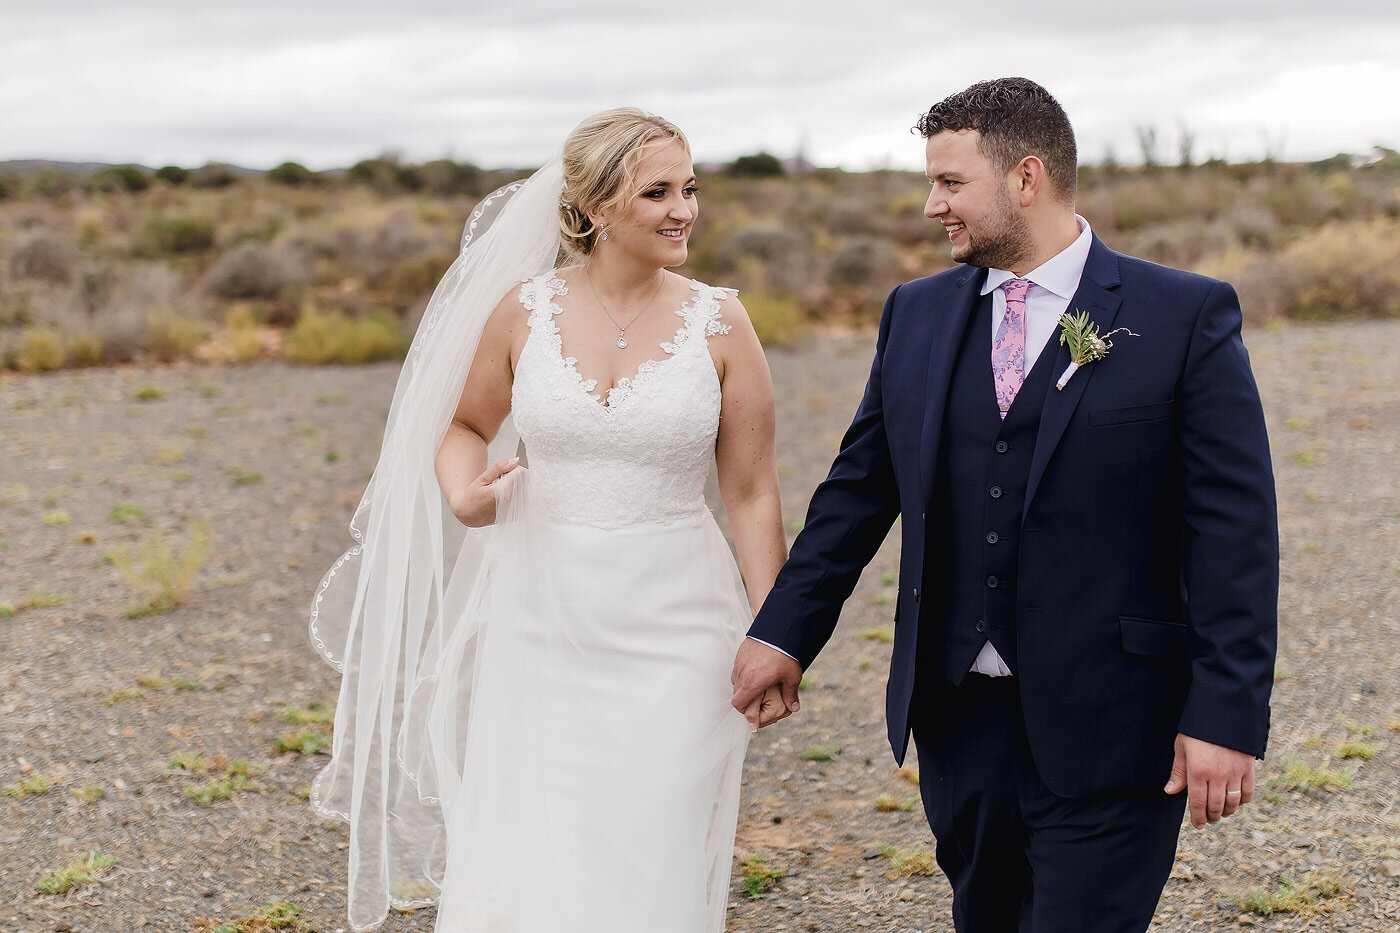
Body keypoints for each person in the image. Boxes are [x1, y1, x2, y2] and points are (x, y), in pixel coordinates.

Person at [731, 77, 1279, 933]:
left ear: (1026, 177)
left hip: (1116, 724)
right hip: (960, 723)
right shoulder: (914, 313)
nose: (929, 205)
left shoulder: (1182, 315)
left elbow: (1235, 533)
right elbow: (858, 491)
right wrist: (783, 630)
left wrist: (1228, 714)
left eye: (950, 183)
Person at [308, 108, 787, 932]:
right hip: (540, 619)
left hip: (676, 622)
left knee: (649, 836)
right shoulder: (523, 312)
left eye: (691, 189)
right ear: (597, 205)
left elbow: (750, 491)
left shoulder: (722, 323)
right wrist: (467, 496)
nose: (686, 210)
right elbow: (460, 428)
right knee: (540, 833)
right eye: (659, 192)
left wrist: (778, 631)